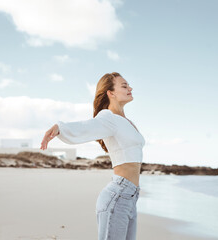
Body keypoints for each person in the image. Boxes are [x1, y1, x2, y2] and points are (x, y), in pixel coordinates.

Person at [40, 72, 145, 240]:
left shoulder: (126, 121)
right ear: (110, 93)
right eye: (124, 86)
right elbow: (86, 127)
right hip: (118, 196)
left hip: (131, 197)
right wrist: (60, 127)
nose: (130, 88)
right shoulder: (107, 117)